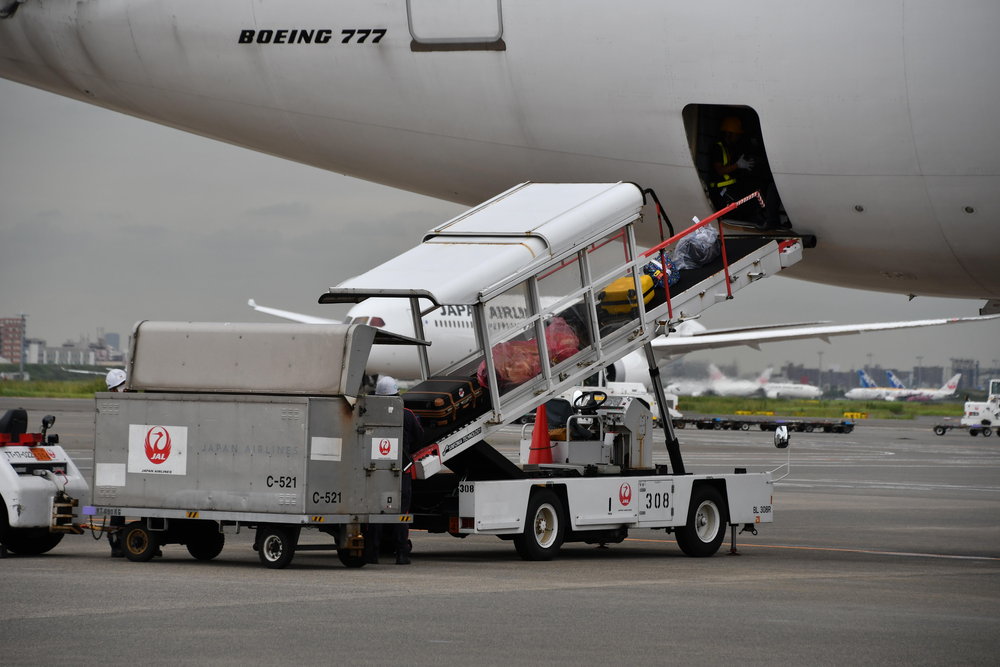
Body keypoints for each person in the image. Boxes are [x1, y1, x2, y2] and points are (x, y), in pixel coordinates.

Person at [365, 375, 423, 565]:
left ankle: (372, 554)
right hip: (400, 471)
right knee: (401, 514)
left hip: (375, 471)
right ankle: (401, 554)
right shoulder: (406, 414)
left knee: (375, 513)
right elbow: (419, 437)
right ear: (397, 394)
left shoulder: (369, 413)